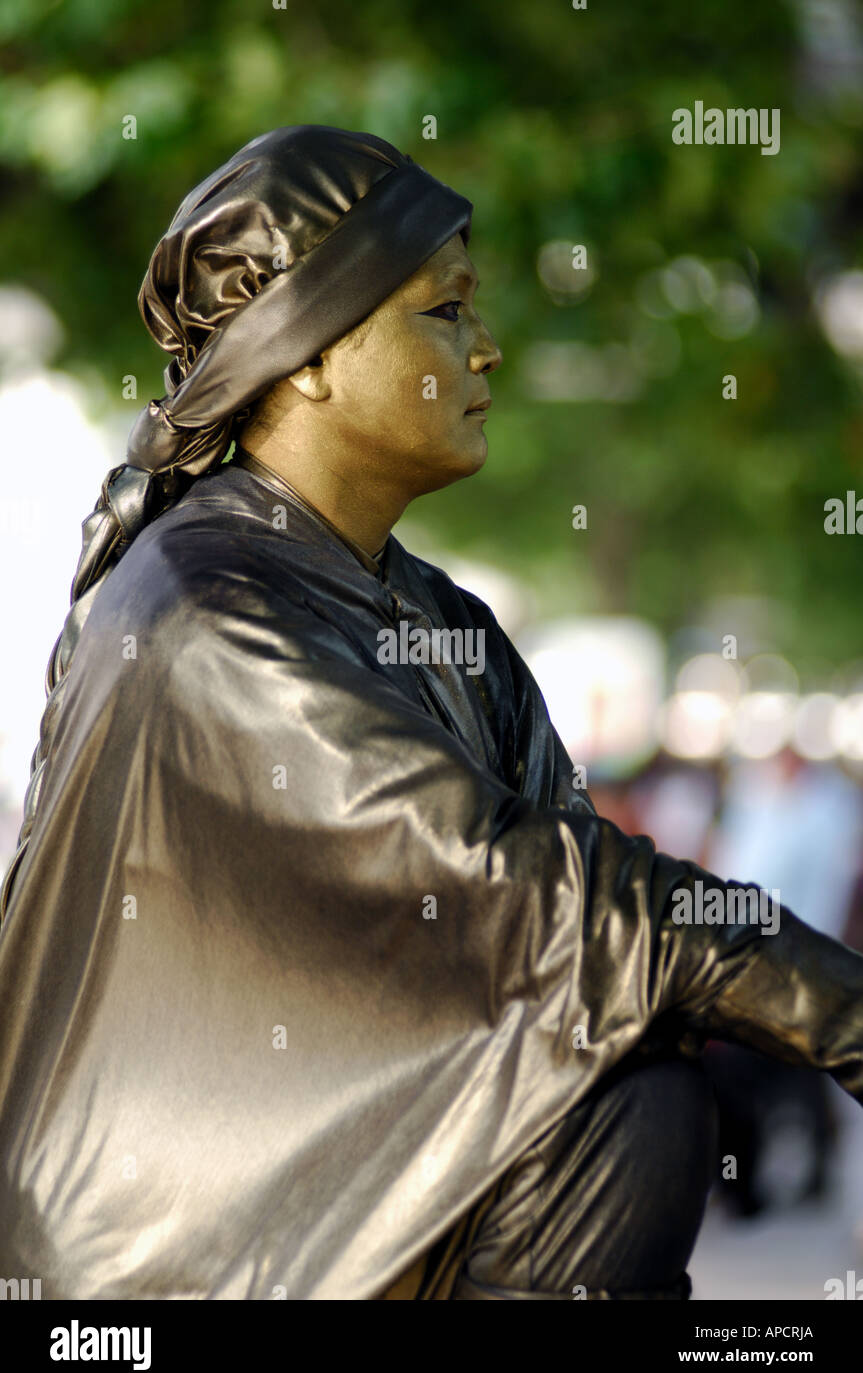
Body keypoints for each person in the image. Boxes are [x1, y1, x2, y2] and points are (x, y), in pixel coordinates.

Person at [1, 125, 862, 1302]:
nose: (489, 349)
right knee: (622, 1101)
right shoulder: (204, 613)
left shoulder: (431, 614)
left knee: (627, 1059)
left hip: (322, 1203)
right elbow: (529, 894)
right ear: (305, 354)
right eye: (445, 312)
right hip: (154, 1278)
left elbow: (576, 899)